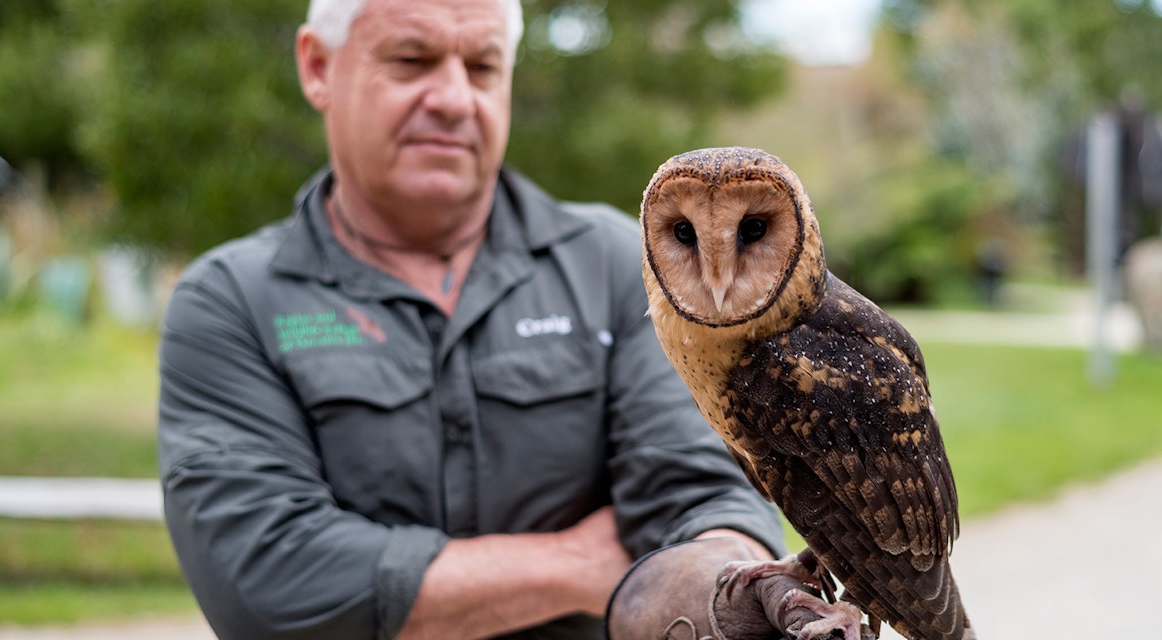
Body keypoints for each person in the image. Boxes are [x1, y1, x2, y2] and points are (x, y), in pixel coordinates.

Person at [156, 0, 790, 638]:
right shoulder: (231, 300)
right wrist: (588, 563)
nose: (455, 100)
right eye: (412, 61)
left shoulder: (624, 266)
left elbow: (708, 506)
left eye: (483, 65)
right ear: (318, 67)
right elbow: (269, 587)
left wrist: (731, 581)